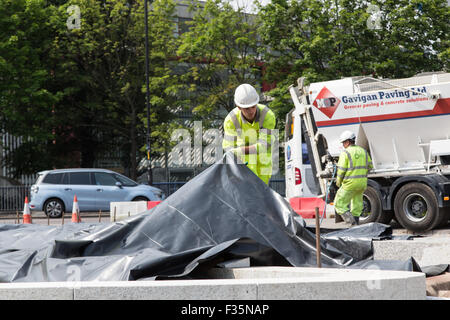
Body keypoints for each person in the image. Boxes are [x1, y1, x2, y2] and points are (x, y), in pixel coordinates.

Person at [222, 84, 276, 185]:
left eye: (253, 106)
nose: (251, 111)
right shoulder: (231, 120)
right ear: (239, 107)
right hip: (243, 163)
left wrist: (239, 151)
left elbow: (264, 146)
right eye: (247, 108)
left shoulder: (267, 115)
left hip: (263, 163)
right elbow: (228, 147)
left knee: (261, 194)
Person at [334, 130, 373, 226]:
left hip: (349, 184)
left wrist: (338, 181)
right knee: (357, 206)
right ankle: (356, 227)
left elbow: (341, 170)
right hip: (362, 184)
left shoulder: (346, 153)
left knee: (339, 204)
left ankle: (352, 224)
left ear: (347, 142)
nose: (343, 145)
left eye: (343, 142)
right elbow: (370, 167)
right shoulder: (363, 151)